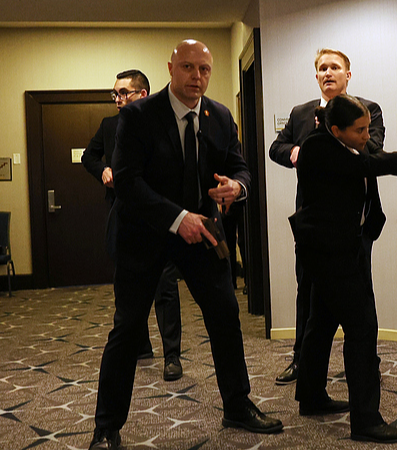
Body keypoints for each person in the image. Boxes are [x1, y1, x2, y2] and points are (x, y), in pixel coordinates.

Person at [88, 40, 283, 450]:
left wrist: (237, 187)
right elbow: (127, 182)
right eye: (189, 67)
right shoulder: (139, 115)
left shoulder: (220, 115)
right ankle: (106, 427)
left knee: (225, 315)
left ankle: (237, 405)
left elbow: (240, 167)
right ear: (171, 68)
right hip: (143, 233)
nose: (197, 77)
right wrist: (178, 219)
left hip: (202, 234)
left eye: (205, 69)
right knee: (128, 328)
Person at [289, 94, 397, 443]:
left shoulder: (344, 145)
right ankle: (366, 420)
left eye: (368, 128)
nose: (368, 136)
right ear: (336, 129)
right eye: (360, 130)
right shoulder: (317, 147)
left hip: (335, 248)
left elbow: (379, 162)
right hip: (331, 252)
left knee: (321, 322)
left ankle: (312, 396)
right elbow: (373, 165)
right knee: (363, 329)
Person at [269, 48, 397, 385]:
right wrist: (297, 151)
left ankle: (358, 365)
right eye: (322, 68)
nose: (327, 73)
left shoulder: (367, 109)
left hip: (357, 224)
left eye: (334, 67)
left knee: (355, 304)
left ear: (348, 75)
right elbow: (278, 148)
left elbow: (371, 153)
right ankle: (304, 364)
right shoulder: (302, 116)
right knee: (313, 299)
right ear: (316, 76)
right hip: (317, 228)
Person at [81, 69, 184, 382]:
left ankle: (172, 356)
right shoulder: (109, 125)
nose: (117, 99)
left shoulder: (163, 124)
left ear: (143, 95)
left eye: (123, 93)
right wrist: (102, 170)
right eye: (115, 94)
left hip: (159, 217)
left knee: (165, 287)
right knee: (126, 288)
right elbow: (88, 156)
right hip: (124, 216)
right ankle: (140, 346)